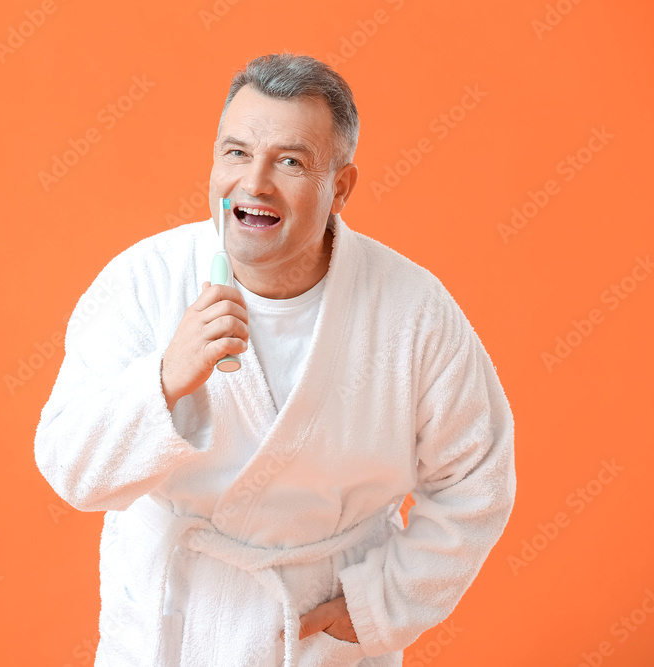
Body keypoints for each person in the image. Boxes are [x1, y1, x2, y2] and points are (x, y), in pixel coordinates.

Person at [35, 52, 516, 667]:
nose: (254, 183)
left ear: (339, 187)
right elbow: (72, 471)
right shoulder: (144, 281)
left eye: (289, 161)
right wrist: (164, 379)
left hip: (314, 636)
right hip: (168, 628)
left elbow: (478, 477)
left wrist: (381, 605)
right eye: (236, 153)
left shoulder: (412, 311)